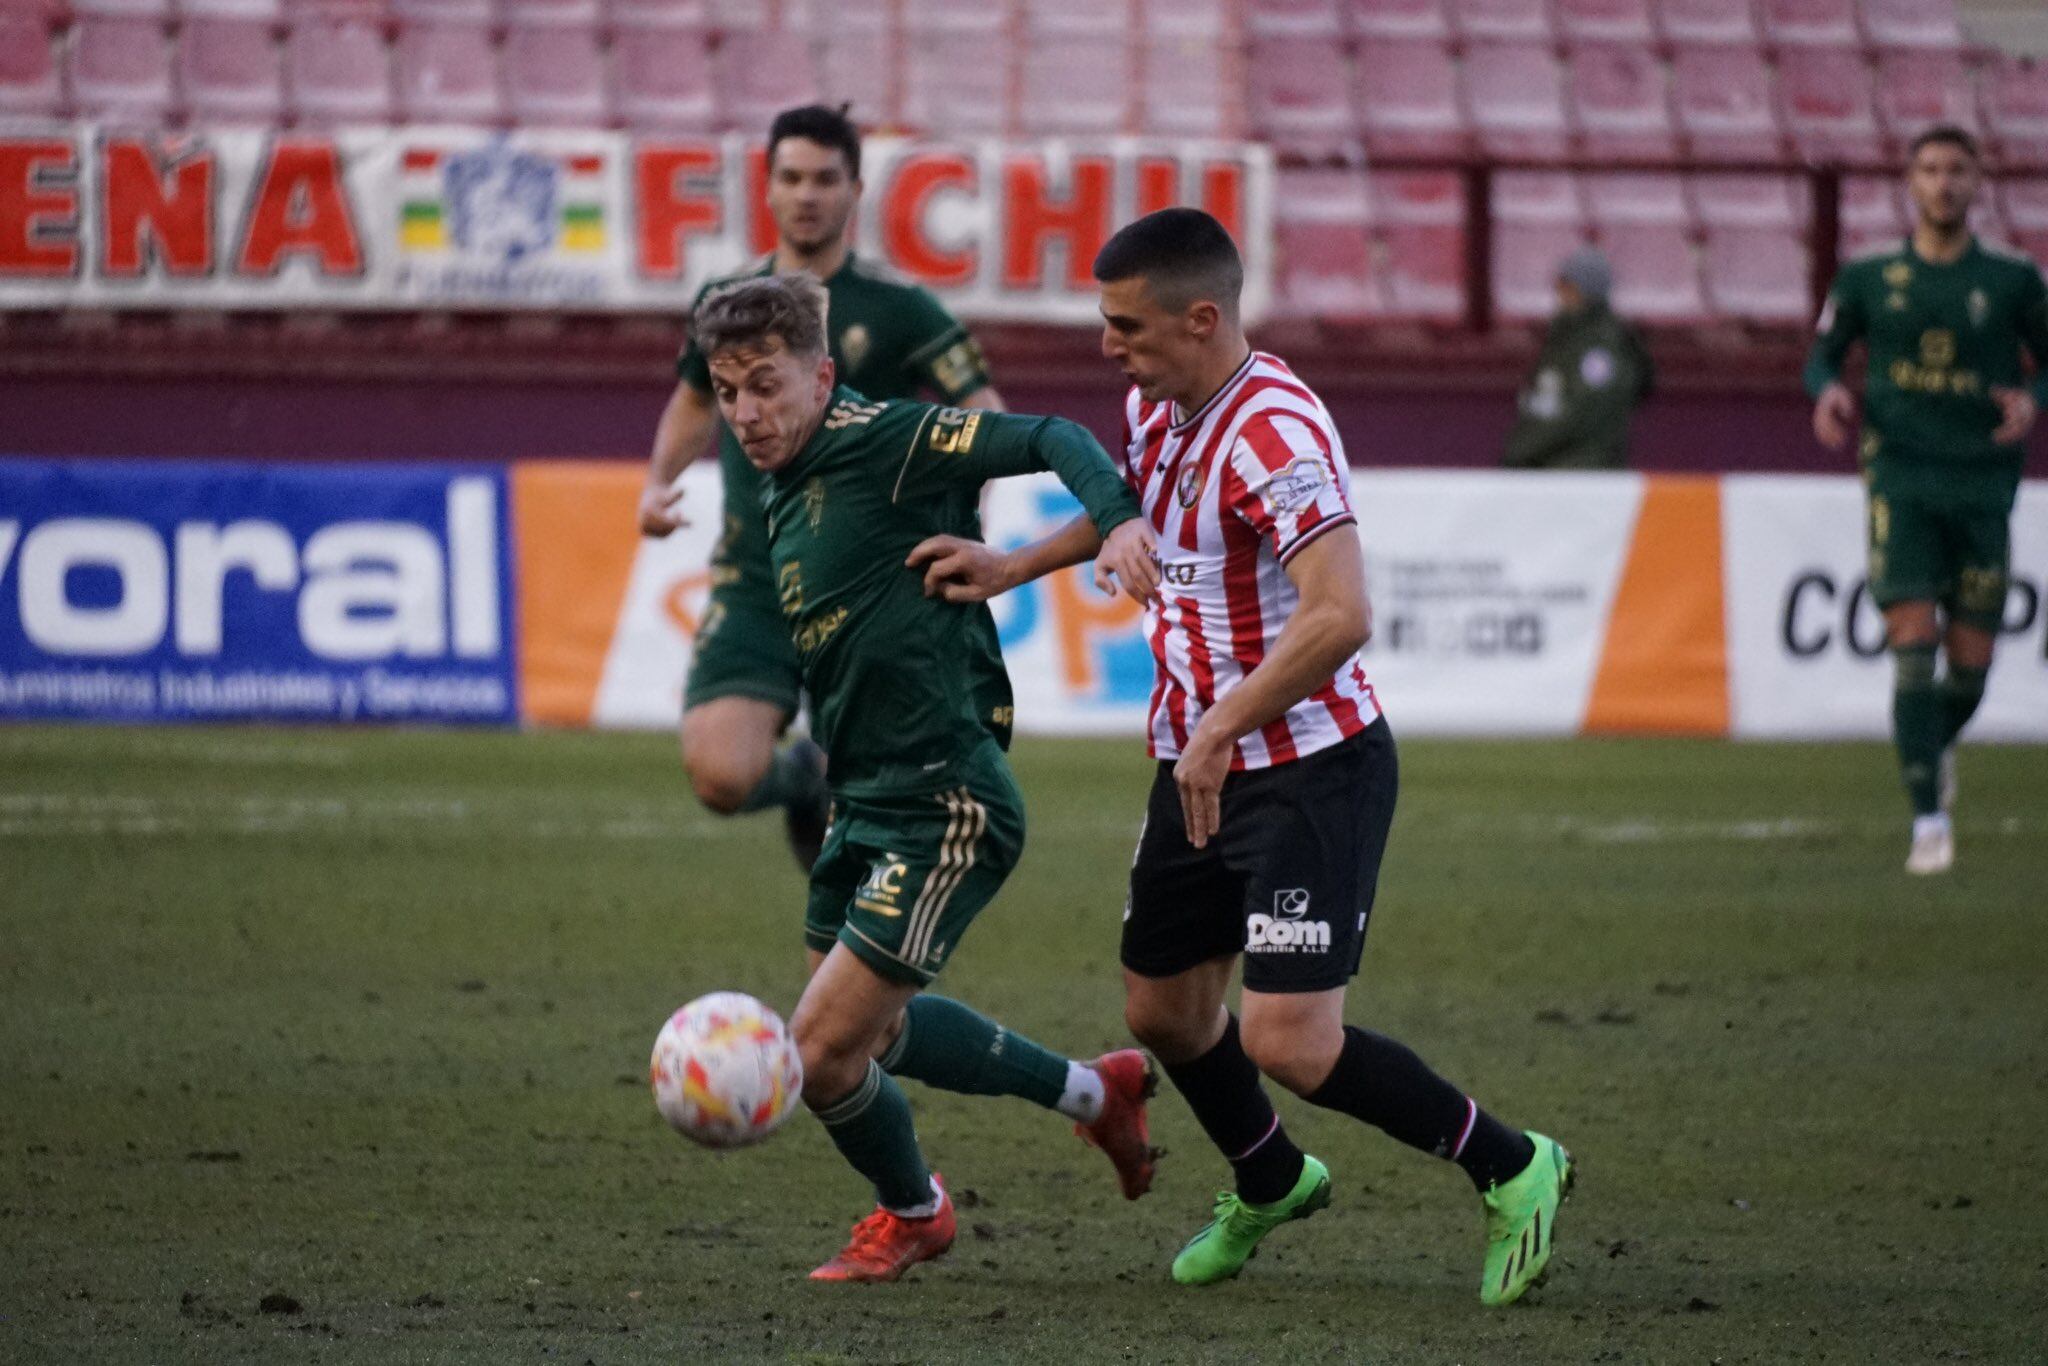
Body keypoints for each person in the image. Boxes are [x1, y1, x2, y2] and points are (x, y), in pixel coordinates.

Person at [911, 209, 1573, 1304]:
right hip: (1197, 756)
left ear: (1201, 317)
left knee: (1287, 1039)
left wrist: (1222, 725)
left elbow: (1340, 613)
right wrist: (1013, 562)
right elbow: (1145, 513)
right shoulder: (1159, 401)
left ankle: (1512, 1163)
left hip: (1309, 764)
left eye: (1125, 325)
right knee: (1161, 1008)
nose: (1106, 345)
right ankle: (1268, 1176)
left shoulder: (1275, 433)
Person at [691, 272, 1164, 1283]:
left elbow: (1045, 435)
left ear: (821, 375)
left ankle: (916, 1212)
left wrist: (1117, 520)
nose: (745, 413)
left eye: (765, 385)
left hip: (945, 798)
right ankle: (1097, 1094)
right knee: (876, 1035)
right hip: (859, 801)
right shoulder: (783, 486)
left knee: (817, 1053)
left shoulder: (887, 440)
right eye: (728, 392)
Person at [637, 104, 1009, 870]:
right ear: (767, 188)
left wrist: (974, 525)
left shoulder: (900, 307)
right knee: (720, 776)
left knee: (869, 826)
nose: (807, 194)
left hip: (868, 592)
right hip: (756, 582)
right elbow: (693, 400)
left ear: (855, 191)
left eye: (825, 179)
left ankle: (855, 963)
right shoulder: (727, 300)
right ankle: (801, 779)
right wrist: (657, 483)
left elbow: (982, 411)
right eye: (792, 177)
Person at [1806, 124, 2048, 876]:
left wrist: (2033, 399)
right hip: (1900, 475)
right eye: (1931, 170)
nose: (1943, 184)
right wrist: (1829, 395)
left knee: (1968, 670)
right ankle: (1929, 824)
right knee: (1912, 647)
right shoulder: (1869, 276)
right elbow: (1821, 356)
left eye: (1957, 171)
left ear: (1979, 183)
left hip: (1981, 482)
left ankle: (1931, 746)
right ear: (1910, 183)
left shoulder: (2012, 279)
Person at [1504, 246, 1655, 470]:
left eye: (1567, 285)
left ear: (1585, 291)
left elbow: (1581, 413)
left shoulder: (1601, 350)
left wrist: (1521, 451)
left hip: (1583, 478)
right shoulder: (1567, 338)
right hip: (1551, 474)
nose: (1559, 292)